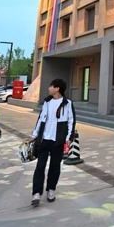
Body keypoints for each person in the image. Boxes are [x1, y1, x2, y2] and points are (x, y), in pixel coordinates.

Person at [29, 79, 75, 207]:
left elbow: (71, 121)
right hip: (44, 140)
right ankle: (36, 193)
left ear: (57, 88)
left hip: (58, 141)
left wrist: (68, 138)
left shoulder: (67, 103)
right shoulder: (47, 102)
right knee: (40, 167)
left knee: (55, 167)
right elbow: (40, 119)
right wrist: (34, 135)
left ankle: (51, 190)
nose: (49, 88)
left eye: (51, 86)